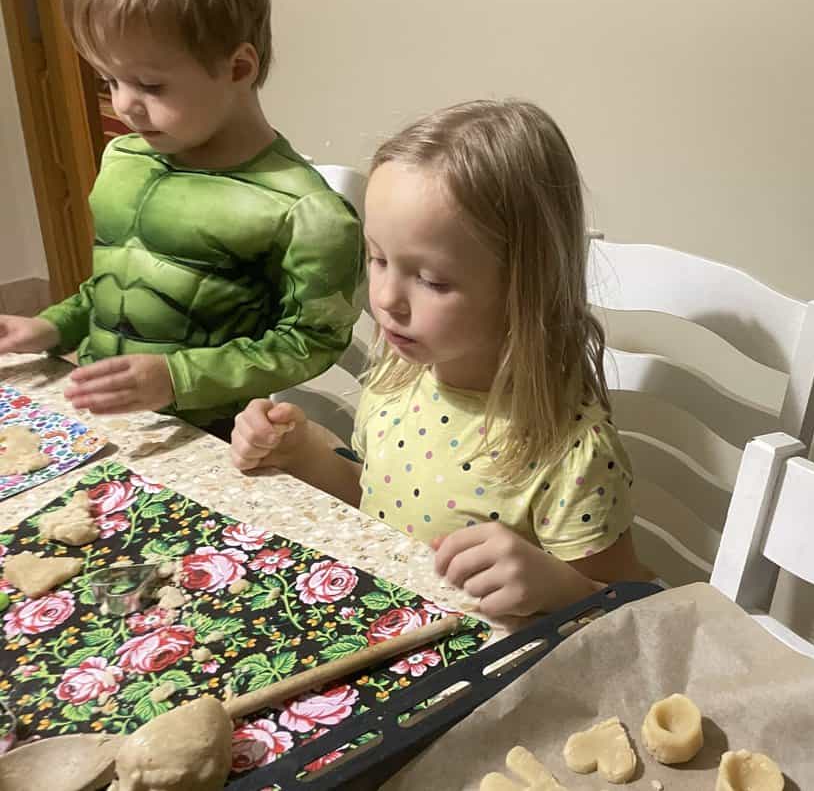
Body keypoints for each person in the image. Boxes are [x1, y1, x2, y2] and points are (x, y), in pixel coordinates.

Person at [230, 99, 650, 615]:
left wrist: (563, 590)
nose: (384, 298)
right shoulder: (400, 376)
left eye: (431, 280)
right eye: (378, 258)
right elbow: (381, 509)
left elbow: (636, 613)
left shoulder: (573, 454)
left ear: (525, 290)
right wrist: (303, 453)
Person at [0, 0, 364, 436]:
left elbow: (311, 342)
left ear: (238, 68)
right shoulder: (124, 159)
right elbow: (114, 286)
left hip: (210, 440)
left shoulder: (308, 212)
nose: (125, 106)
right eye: (109, 81)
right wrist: (50, 327)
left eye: (150, 85)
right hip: (102, 419)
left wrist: (176, 376)